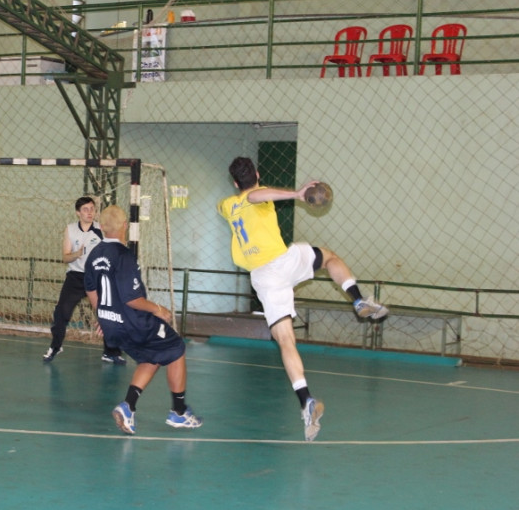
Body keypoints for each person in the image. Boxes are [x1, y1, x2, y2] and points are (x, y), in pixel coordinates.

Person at [217, 157, 389, 441]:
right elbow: (257, 194)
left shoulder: (226, 205)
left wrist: (240, 197)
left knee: (286, 341)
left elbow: (240, 200)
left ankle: (306, 400)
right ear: (258, 174)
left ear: (234, 183)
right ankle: (357, 299)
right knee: (329, 257)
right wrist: (297, 194)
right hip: (283, 262)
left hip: (263, 278)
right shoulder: (254, 196)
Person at [84, 205, 203, 435]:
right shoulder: (124, 256)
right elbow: (132, 298)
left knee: (151, 355)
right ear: (125, 227)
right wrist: (159, 309)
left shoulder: (94, 255)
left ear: (101, 227)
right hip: (133, 321)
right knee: (176, 348)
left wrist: (103, 317)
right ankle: (178, 413)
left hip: (112, 326)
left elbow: (91, 292)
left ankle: (128, 407)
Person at [43, 196, 126, 365]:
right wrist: (77, 254)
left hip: (97, 277)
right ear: (78, 213)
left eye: (92, 209)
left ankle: (111, 352)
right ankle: (56, 346)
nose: (90, 212)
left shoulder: (101, 229)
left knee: (108, 313)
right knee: (62, 312)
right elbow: (65, 257)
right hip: (75, 277)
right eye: (86, 209)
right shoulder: (70, 229)